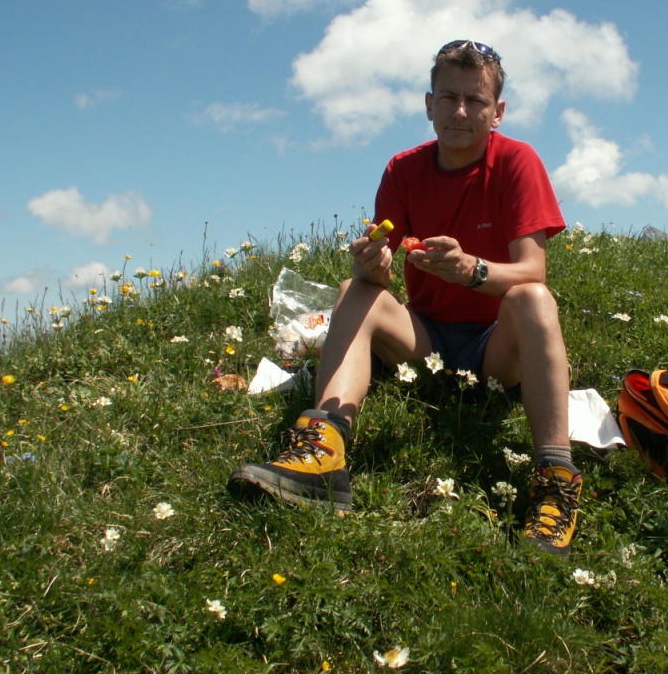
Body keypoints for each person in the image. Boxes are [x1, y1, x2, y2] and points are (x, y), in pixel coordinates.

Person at [227, 40, 581, 555]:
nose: (460, 111)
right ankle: (325, 447)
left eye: (476, 101)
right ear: (428, 104)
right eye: (448, 97)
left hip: (495, 349)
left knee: (535, 300)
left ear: (497, 112)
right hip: (427, 339)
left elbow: (533, 270)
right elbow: (379, 261)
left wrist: (471, 270)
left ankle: (556, 480)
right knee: (355, 289)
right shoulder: (402, 169)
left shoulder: (518, 162)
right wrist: (371, 263)